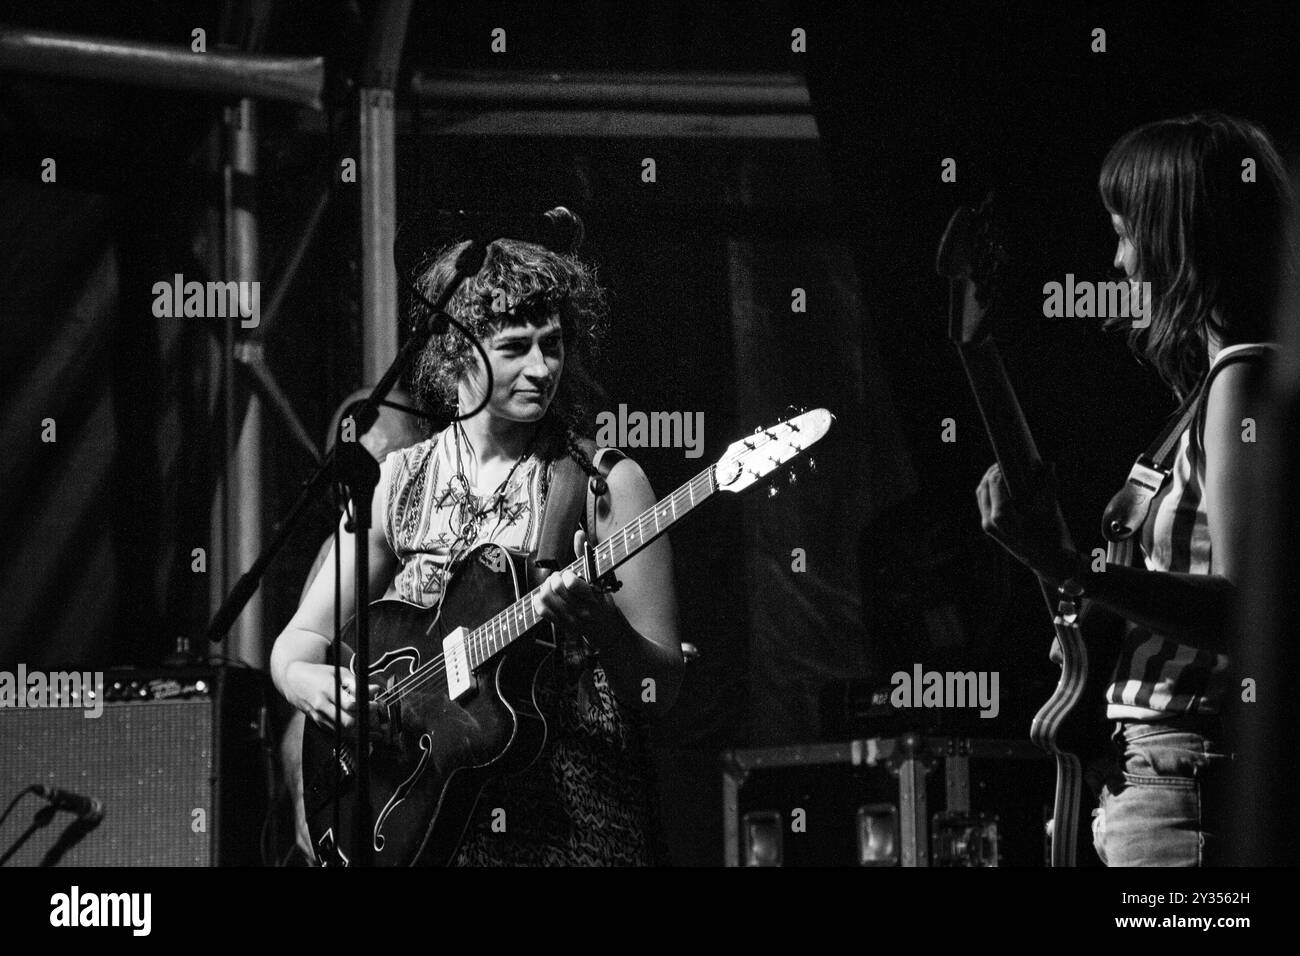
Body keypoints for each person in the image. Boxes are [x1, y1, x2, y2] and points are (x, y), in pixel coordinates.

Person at [270, 235, 683, 866]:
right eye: (515, 349)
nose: (542, 368)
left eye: (553, 343)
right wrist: (303, 680)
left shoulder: (602, 484)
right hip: (425, 823)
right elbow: (297, 642)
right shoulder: (397, 482)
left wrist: (605, 629)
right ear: (455, 352)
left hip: (567, 830)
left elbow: (661, 686)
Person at [976, 113, 1292, 866]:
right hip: (1161, 775)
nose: (1117, 262)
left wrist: (1069, 568)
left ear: (1181, 236)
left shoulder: (1242, 381)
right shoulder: (1220, 387)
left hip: (1188, 774)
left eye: (1125, 232)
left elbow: (1249, 609)